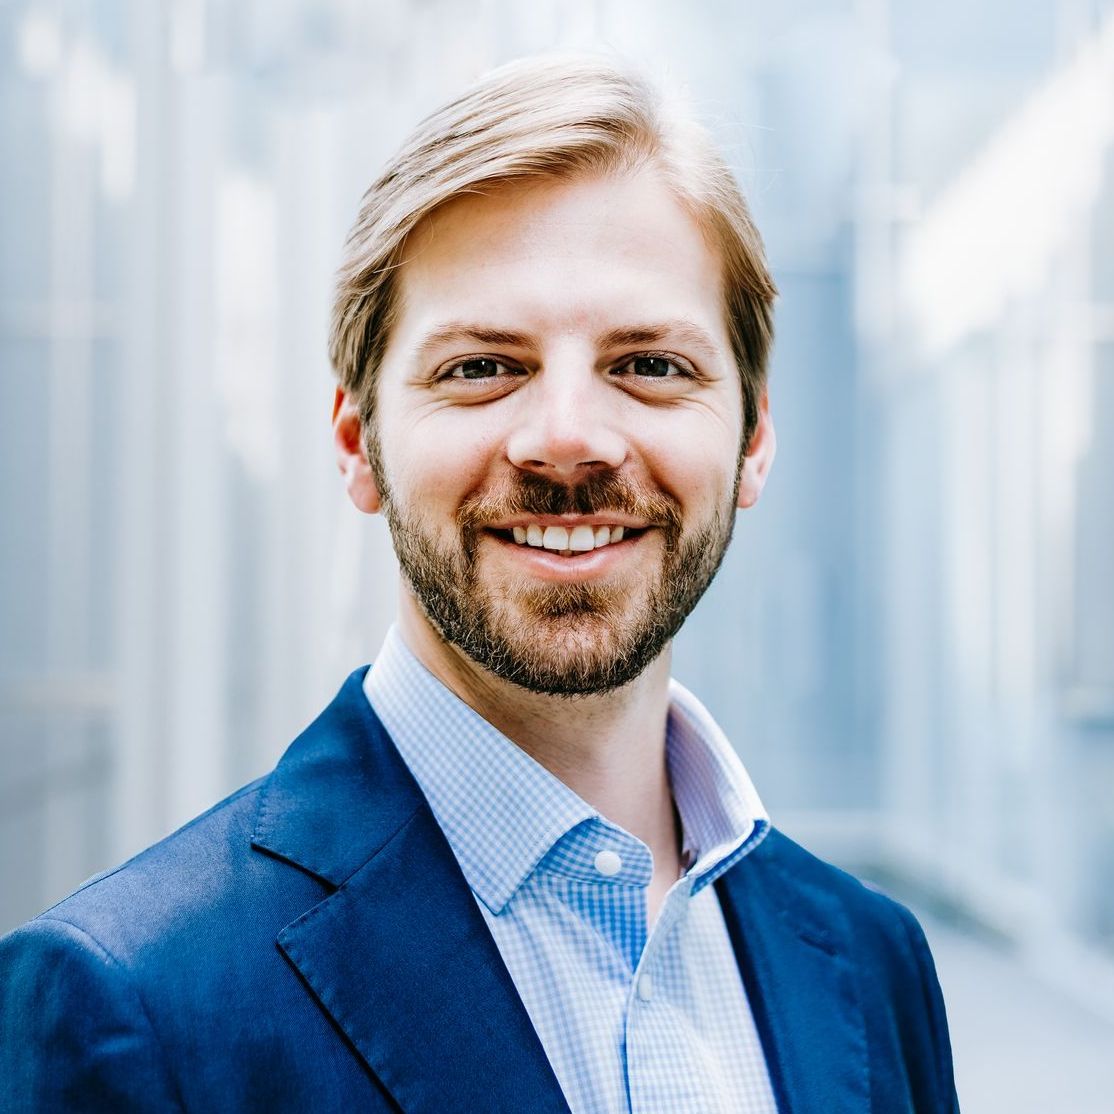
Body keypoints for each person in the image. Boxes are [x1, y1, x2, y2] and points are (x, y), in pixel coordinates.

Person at [0, 55, 959, 1113]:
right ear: (357, 441)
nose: (565, 441)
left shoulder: (873, 968)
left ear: (755, 438)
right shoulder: (131, 1001)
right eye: (480, 367)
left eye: (649, 365)